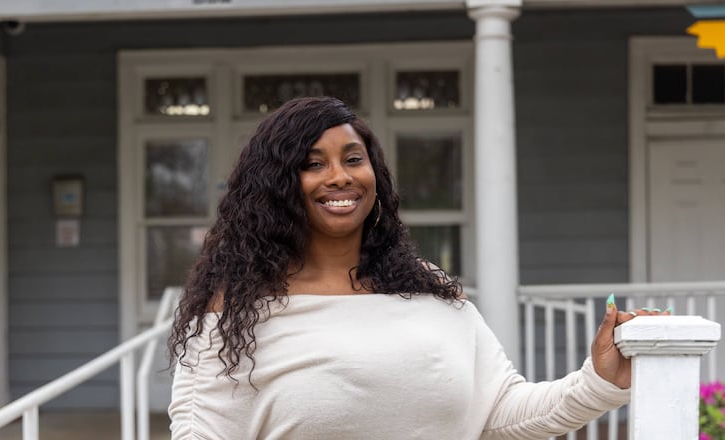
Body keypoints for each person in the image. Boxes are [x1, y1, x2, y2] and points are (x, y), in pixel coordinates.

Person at [168, 96, 663, 439]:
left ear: (375, 177)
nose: (339, 176)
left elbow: (502, 413)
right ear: (276, 188)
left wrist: (599, 382)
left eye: (353, 159)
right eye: (313, 164)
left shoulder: (430, 291)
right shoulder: (234, 312)